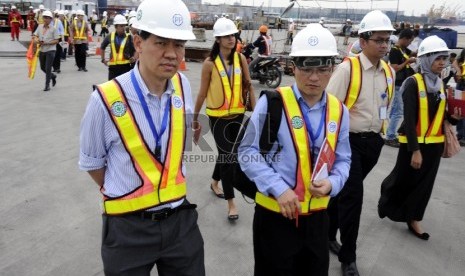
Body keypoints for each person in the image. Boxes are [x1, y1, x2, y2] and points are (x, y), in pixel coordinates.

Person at [79, 0, 205, 275]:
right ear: (138, 42)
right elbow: (92, 163)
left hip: (180, 222)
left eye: (179, 45)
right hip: (127, 228)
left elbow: (180, 144)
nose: (173, 54)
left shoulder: (182, 85)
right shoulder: (106, 99)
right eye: (161, 43)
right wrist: (131, 190)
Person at [238, 23, 351, 275]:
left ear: (332, 68)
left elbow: (344, 159)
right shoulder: (272, 102)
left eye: (322, 69)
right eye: (307, 68)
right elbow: (247, 152)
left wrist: (333, 183)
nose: (314, 77)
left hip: (318, 218)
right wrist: (278, 188)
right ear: (293, 67)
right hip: (275, 216)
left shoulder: (339, 110)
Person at [326, 10, 395, 276]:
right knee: (353, 197)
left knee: (343, 194)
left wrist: (379, 135)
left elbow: (384, 106)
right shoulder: (347, 69)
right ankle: (349, 257)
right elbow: (329, 109)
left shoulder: (388, 71)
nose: (384, 45)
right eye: (379, 39)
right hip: (348, 144)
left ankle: (328, 233)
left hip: (373, 143)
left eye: (387, 40)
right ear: (363, 41)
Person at [378, 35, 461, 240]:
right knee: (401, 179)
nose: (442, 62)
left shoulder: (441, 84)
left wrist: (455, 117)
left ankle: (414, 218)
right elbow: (409, 118)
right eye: (437, 58)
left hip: (434, 144)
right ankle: (386, 200)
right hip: (412, 144)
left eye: (444, 58)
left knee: (424, 185)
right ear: (425, 59)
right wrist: (415, 151)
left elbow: (442, 117)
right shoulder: (412, 83)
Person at [192, 17, 255, 221]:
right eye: (227, 36)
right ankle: (231, 203)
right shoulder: (209, 64)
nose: (231, 39)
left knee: (225, 154)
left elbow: (248, 84)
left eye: (233, 35)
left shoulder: (241, 59)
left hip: (238, 114)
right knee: (229, 157)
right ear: (218, 39)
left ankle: (214, 181)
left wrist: (255, 107)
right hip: (217, 117)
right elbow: (201, 94)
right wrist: (195, 120)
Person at [385, 29, 416, 147]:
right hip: (398, 84)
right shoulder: (394, 51)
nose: (410, 44)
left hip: (403, 83)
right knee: (398, 111)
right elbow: (395, 68)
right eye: (410, 41)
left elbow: (413, 53)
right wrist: (407, 62)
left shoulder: (403, 50)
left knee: (394, 110)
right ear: (405, 39)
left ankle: (390, 133)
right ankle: (390, 136)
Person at [100, 14, 136, 80]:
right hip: (113, 68)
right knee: (112, 87)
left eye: (124, 26)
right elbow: (102, 47)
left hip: (125, 68)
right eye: (121, 26)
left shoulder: (129, 37)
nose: (123, 28)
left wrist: (134, 57)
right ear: (116, 27)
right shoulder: (110, 36)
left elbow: (136, 50)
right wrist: (103, 59)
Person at [33, 10, 60, 92]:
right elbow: (35, 36)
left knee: (48, 68)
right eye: (44, 17)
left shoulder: (54, 29)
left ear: (51, 19)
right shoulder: (40, 26)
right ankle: (52, 76)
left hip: (51, 50)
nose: (46, 19)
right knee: (42, 67)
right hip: (42, 50)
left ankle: (47, 85)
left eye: (48, 18)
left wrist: (47, 43)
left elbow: (56, 40)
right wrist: (37, 40)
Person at [452, 49, 465, 145]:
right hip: (461, 82)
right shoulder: (464, 51)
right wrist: (458, 71)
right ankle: (460, 133)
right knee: (459, 108)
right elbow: (455, 62)